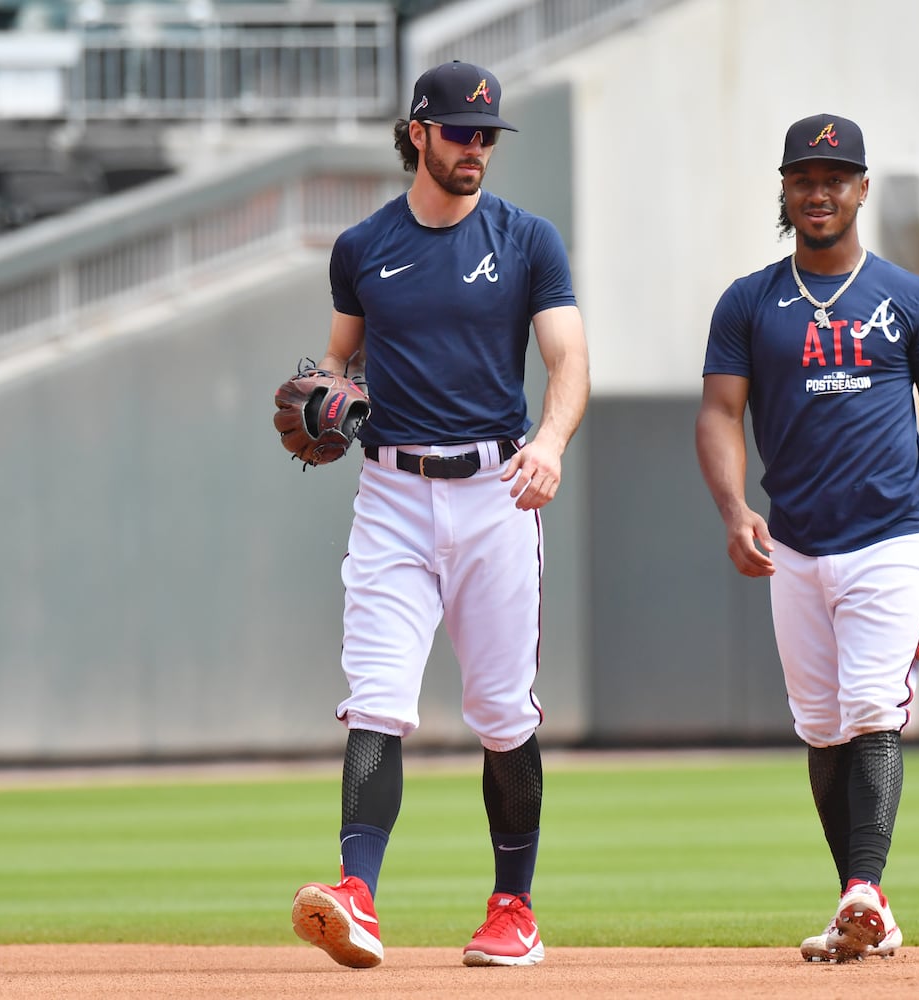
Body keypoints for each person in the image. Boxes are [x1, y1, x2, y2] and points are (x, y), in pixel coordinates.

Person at [289, 59, 590, 970]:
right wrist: (324, 399)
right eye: (461, 132)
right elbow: (338, 363)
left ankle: (513, 909)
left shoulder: (527, 239)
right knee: (376, 698)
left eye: (488, 135)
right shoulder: (362, 246)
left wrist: (551, 442)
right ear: (418, 132)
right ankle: (357, 892)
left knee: (503, 714)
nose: (477, 149)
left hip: (496, 493)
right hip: (390, 496)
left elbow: (569, 359)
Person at [695, 113, 919, 962]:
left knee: (872, 710)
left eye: (835, 176)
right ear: (785, 190)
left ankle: (864, 887)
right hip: (794, 544)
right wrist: (732, 511)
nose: (819, 190)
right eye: (803, 176)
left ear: (862, 188)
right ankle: (862, 907)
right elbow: (719, 414)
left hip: (891, 536)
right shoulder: (749, 301)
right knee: (822, 728)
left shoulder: (907, 297)